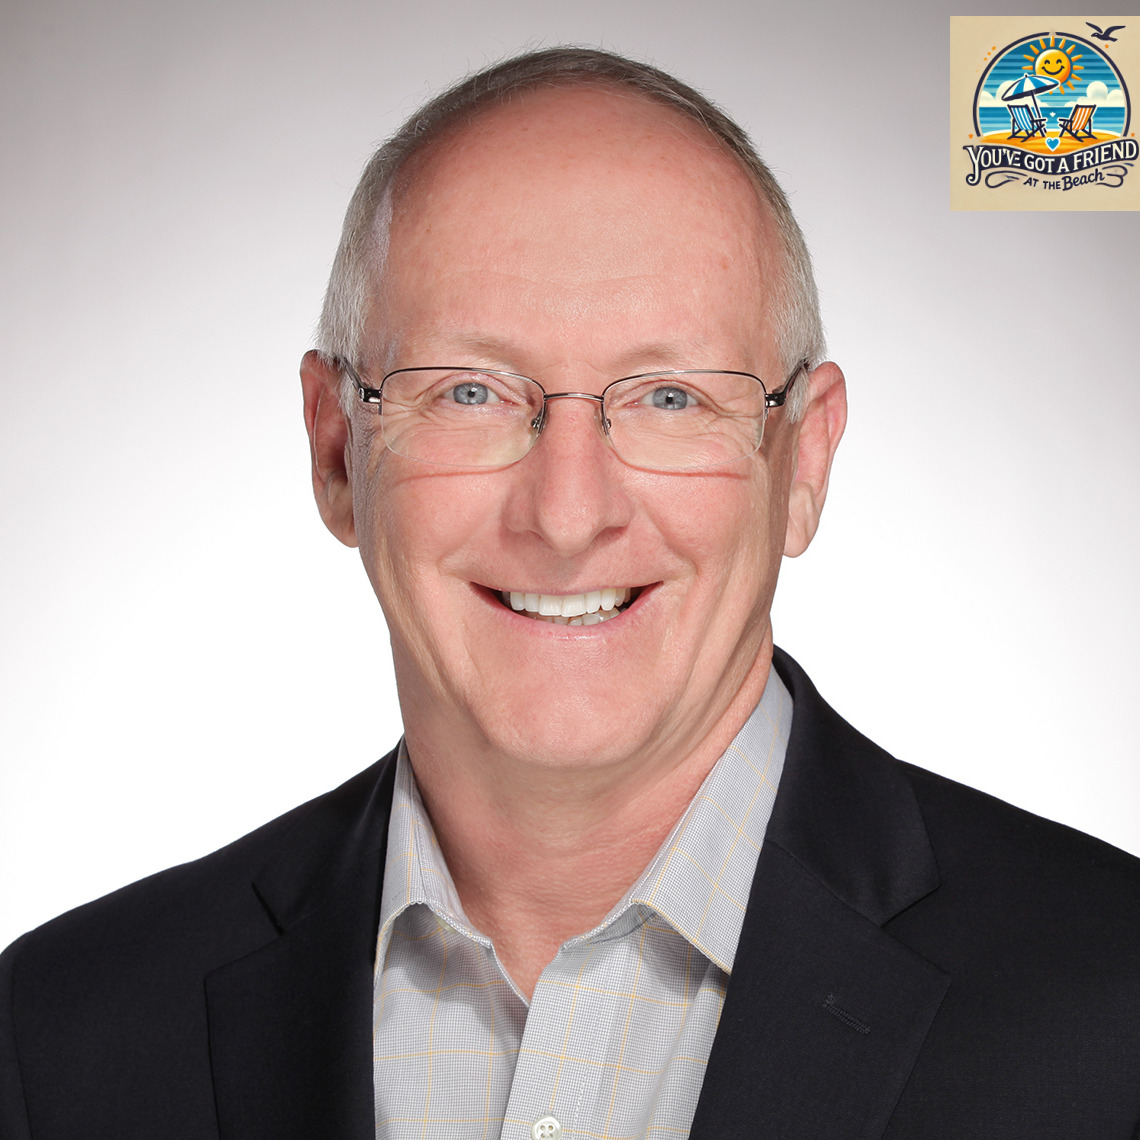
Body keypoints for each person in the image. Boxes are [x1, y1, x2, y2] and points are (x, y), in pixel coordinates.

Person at [2, 46, 1139, 1140]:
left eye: (670, 398)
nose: (566, 514)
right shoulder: (59, 1038)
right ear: (338, 451)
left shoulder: (1113, 1007)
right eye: (469, 392)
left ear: (804, 462)